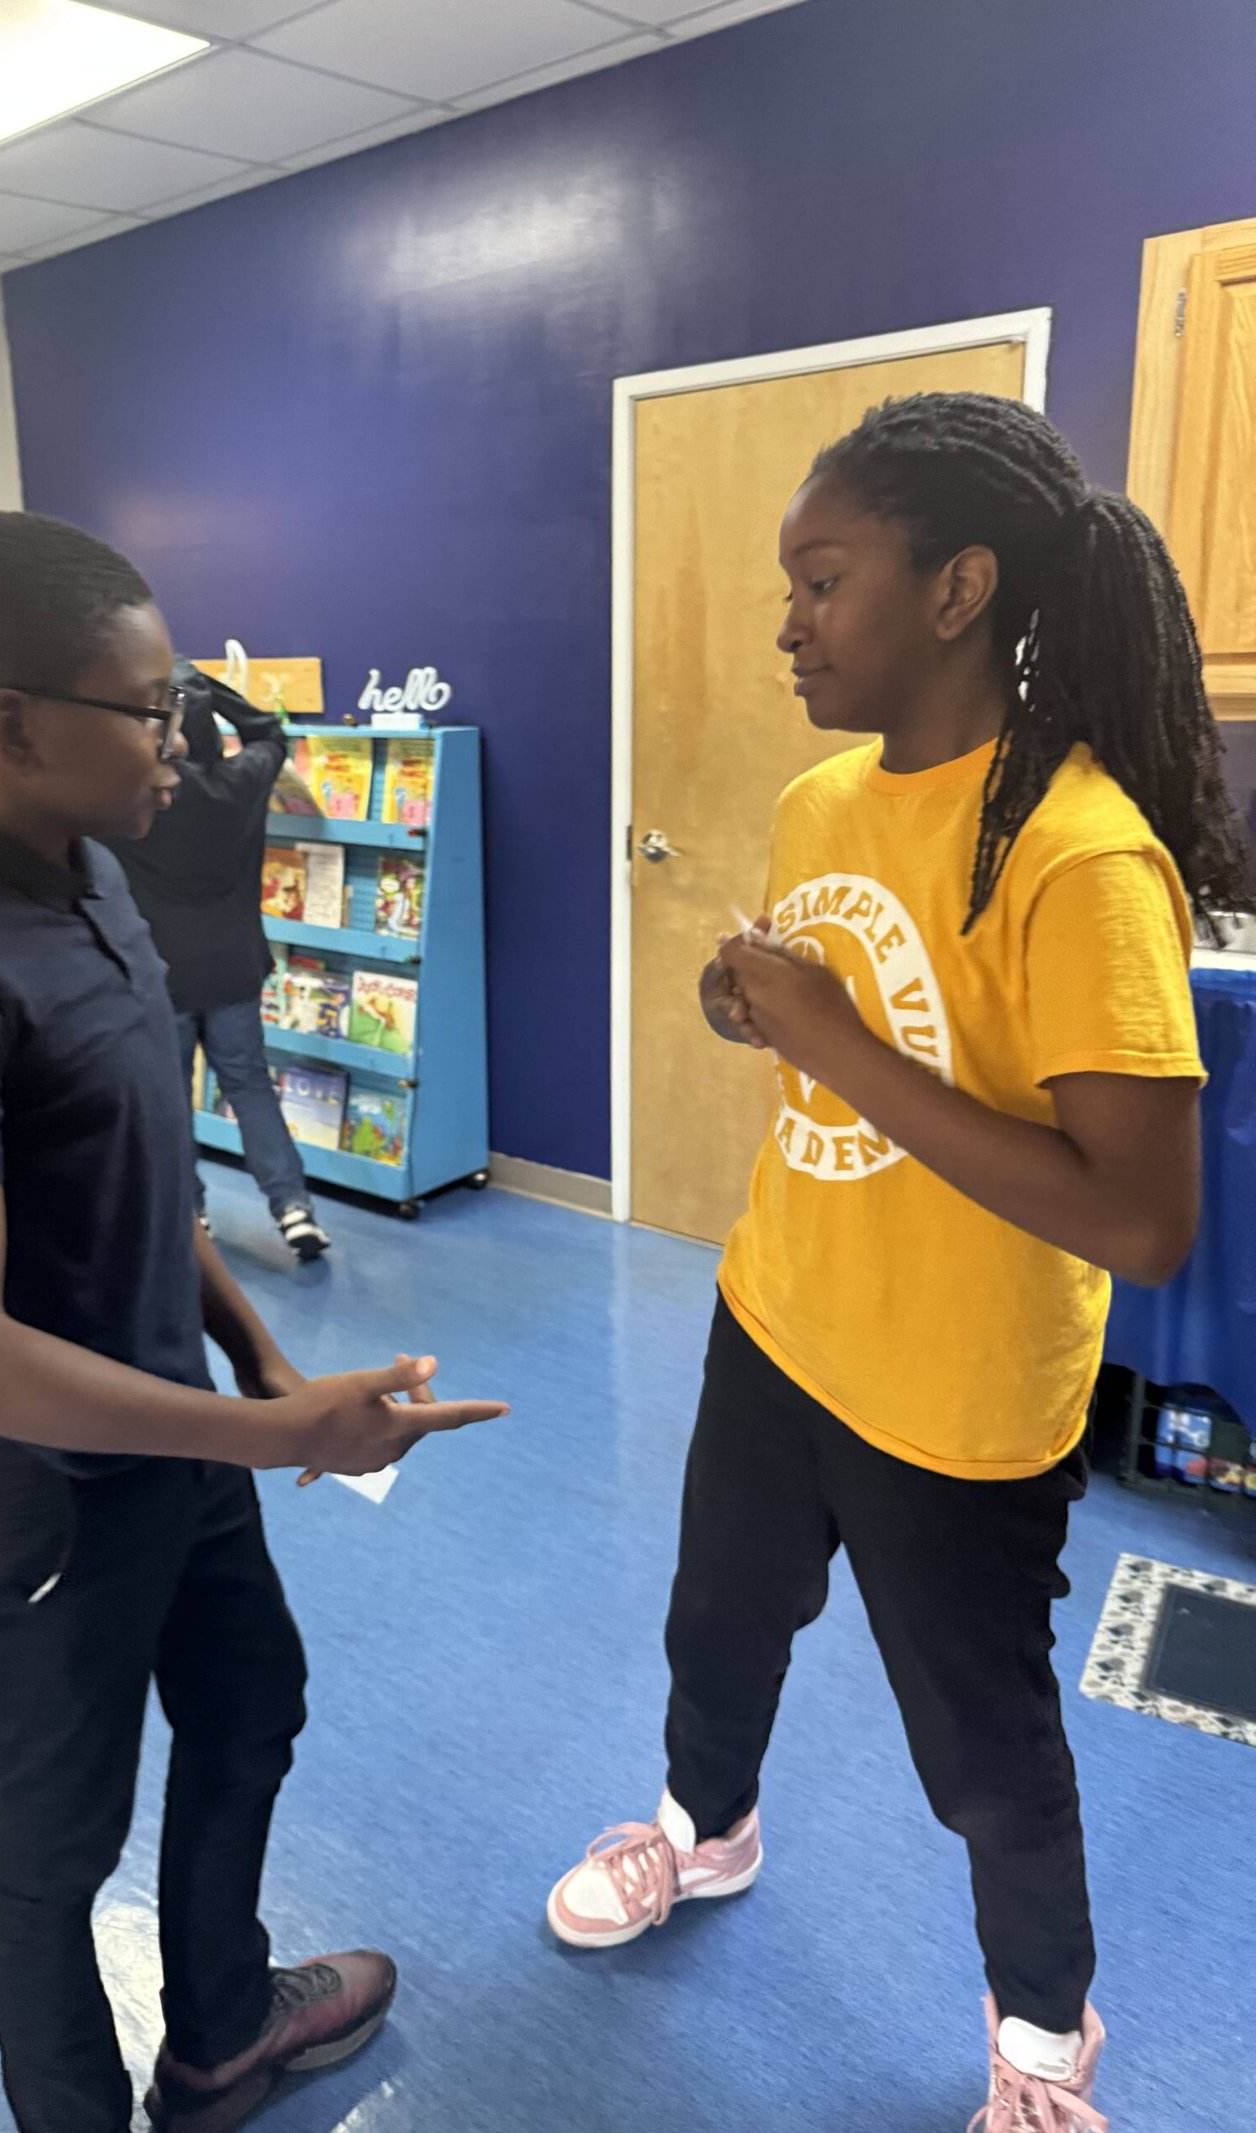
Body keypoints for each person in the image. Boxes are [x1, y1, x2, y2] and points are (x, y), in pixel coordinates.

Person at [544, 395, 1254, 2131]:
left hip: (958, 1394)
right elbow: (831, 1026)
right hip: (780, 1315)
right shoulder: (819, 800)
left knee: (980, 1748)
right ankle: (704, 1830)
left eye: (822, 579)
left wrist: (836, 1040)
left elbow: (1140, 1218)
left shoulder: (1086, 855)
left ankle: (1044, 2035)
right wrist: (754, 1007)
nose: (788, 623)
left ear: (958, 590)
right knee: (718, 1624)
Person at [0, 511, 506, 2133]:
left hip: (173, 1427)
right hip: (33, 1488)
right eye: (149, 709)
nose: (182, 743)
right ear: (12, 724)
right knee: (57, 1841)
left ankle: (222, 2036)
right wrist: (269, 1434)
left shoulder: (99, 877)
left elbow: (144, 1177)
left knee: (250, 1704)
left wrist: (260, 1360)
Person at [110, 664, 331, 1260]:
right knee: (250, 1083)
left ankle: (192, 1214)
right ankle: (293, 1206)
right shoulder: (241, 782)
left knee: (171, 1096)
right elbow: (269, 732)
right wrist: (204, 686)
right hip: (235, 967)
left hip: (162, 973)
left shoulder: (132, 795)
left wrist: (170, 694)